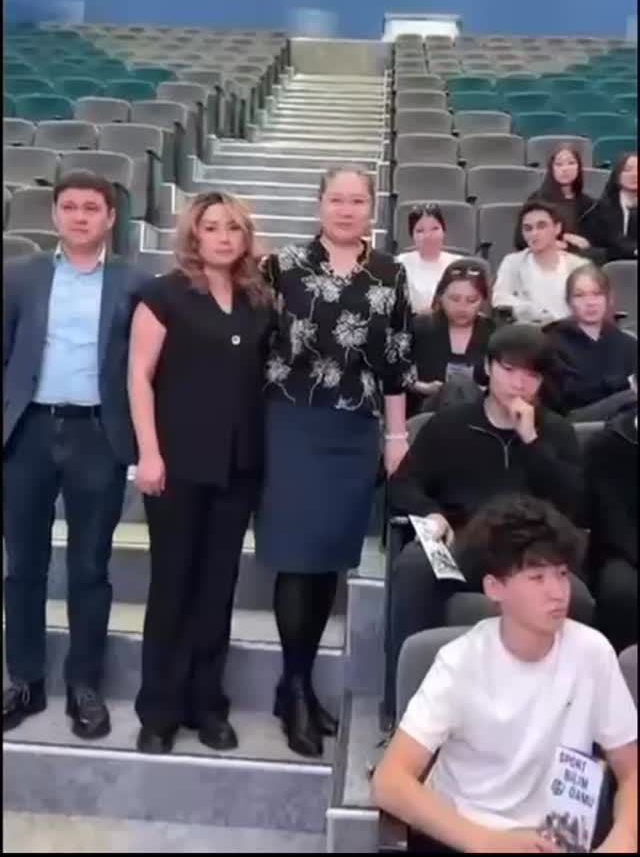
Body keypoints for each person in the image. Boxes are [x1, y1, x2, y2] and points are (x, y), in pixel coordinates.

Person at [373, 494, 638, 856]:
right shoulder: (460, 663)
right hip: (466, 835)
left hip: (556, 839)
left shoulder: (593, 653)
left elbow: (630, 769)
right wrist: (488, 843)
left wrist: (624, 839)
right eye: (537, 577)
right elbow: (389, 781)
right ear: (495, 587)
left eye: (562, 574)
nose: (557, 592)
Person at [255, 165, 414, 758]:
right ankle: (296, 688)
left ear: (372, 207)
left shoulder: (390, 273)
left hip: (355, 428)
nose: (346, 210)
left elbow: (396, 363)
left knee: (327, 563)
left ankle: (294, 686)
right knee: (297, 560)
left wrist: (396, 436)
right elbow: (256, 344)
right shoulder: (282, 266)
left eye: (357, 201)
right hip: (291, 422)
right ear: (320, 204)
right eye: (336, 200)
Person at [3, 171, 149, 739]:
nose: (80, 216)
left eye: (92, 208)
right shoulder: (19, 276)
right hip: (28, 433)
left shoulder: (135, 283)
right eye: (70, 207)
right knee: (23, 566)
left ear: (111, 217)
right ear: (54, 214)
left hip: (97, 435)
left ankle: (85, 683)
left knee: (90, 566)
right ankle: (25, 680)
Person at [128, 192, 273, 755]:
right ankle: (159, 710)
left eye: (233, 227)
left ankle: (207, 705)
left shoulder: (258, 299)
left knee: (218, 589)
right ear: (194, 234)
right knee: (172, 586)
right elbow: (139, 376)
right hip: (177, 463)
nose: (223, 237)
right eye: (212, 227)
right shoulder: (163, 294)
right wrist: (149, 452)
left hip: (237, 466)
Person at [388, 324, 594, 693]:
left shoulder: (557, 432)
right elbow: (402, 484)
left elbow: (574, 504)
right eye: (509, 370)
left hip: (532, 551)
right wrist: (431, 513)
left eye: (531, 375)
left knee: (575, 595)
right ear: (488, 367)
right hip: (463, 541)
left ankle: (555, 704)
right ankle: (405, 702)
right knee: (414, 567)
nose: (518, 384)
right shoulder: (451, 424)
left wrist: (531, 442)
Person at [545, 264, 637, 422]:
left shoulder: (627, 343)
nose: (590, 302)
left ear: (609, 299)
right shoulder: (552, 342)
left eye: (597, 294)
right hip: (575, 423)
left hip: (624, 422)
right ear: (569, 302)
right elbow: (562, 402)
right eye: (580, 295)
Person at [586, 374, 637, 653]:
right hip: (624, 551)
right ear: (634, 386)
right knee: (622, 590)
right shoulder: (607, 444)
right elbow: (612, 519)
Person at [411, 260, 494, 414]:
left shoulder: (494, 333)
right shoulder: (418, 327)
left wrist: (487, 390)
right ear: (440, 296)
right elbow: (396, 374)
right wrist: (421, 386)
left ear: (483, 300)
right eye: (454, 299)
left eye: (471, 300)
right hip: (425, 412)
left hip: (480, 413)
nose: (462, 307)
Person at [493, 200, 588, 324]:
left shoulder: (579, 266)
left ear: (557, 228)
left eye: (541, 226)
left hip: (569, 331)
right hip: (528, 331)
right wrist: (533, 311)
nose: (534, 233)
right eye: (528, 228)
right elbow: (500, 298)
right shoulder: (513, 262)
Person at [514, 145, 607, 261]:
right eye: (559, 164)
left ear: (579, 168)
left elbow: (598, 244)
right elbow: (520, 240)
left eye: (571, 163)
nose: (565, 169)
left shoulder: (590, 205)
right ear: (551, 168)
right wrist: (556, 241)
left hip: (580, 261)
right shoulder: (538, 200)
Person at [397, 204, 458, 313]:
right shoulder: (398, 264)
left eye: (435, 229)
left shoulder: (458, 264)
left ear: (444, 231)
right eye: (420, 231)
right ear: (412, 235)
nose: (428, 236)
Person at [597, 152, 638, 262]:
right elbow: (612, 240)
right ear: (617, 175)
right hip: (611, 262)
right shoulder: (602, 207)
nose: (635, 175)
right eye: (628, 170)